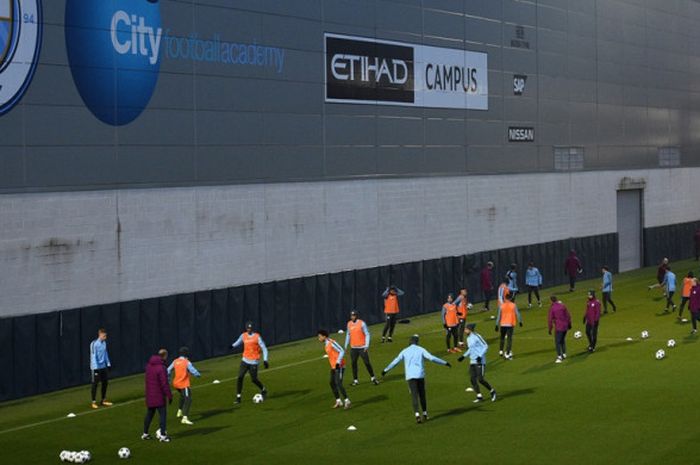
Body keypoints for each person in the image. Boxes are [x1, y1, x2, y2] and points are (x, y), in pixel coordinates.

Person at [381, 334, 451, 423]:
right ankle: (425, 414)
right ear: (417, 342)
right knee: (422, 395)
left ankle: (417, 414)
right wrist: (444, 363)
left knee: (414, 395)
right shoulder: (421, 349)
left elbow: (396, 361)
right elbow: (432, 358)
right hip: (420, 375)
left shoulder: (404, 351)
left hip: (410, 376)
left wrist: (386, 370)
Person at [458, 323, 497, 403]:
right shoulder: (468, 338)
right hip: (472, 361)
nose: (464, 331)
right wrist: (463, 356)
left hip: (480, 361)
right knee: (472, 379)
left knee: (480, 379)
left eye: (466, 329)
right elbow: (471, 349)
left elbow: (485, 346)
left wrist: (480, 356)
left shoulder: (477, 336)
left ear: (470, 329)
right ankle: (479, 396)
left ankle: (492, 391)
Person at [231, 322, 268, 404]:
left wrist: (265, 360)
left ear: (252, 328)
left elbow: (264, 348)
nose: (249, 329)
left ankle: (263, 389)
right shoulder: (243, 335)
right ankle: (238, 397)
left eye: (250, 328)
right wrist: (232, 346)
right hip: (244, 360)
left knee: (254, 379)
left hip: (254, 362)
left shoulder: (257, 336)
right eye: (248, 328)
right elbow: (238, 342)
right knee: (240, 377)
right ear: (246, 328)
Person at [142, 349, 172, 442]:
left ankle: (145, 433)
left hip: (150, 395)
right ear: (165, 356)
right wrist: (169, 395)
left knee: (149, 415)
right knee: (162, 415)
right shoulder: (161, 368)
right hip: (159, 396)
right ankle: (163, 436)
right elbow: (164, 383)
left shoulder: (148, 366)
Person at [167, 347, 201, 426]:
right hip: (183, 384)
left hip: (175, 384)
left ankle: (179, 411)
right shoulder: (186, 362)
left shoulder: (175, 361)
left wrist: (167, 378)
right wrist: (198, 374)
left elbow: (168, 370)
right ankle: (184, 418)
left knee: (183, 396)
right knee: (188, 399)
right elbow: (193, 371)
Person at [318, 329, 351, 409]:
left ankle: (347, 401)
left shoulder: (331, 342)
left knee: (338, 383)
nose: (318, 338)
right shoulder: (326, 344)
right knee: (332, 383)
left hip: (339, 366)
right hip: (333, 366)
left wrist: (338, 362)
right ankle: (338, 401)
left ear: (324, 336)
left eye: (319, 336)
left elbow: (342, 351)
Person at [344, 310, 379, 386]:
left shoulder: (362, 323)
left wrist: (366, 345)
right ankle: (355, 380)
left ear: (356, 316)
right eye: (351, 316)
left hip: (362, 347)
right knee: (353, 363)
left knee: (367, 363)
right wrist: (346, 345)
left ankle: (373, 377)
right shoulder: (349, 324)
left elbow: (367, 334)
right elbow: (348, 334)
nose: (352, 317)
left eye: (354, 315)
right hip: (353, 348)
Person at [89, 328, 113, 409]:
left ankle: (103, 400)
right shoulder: (94, 344)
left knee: (105, 383)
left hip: (103, 367)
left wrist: (108, 363)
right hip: (95, 368)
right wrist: (96, 368)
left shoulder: (104, 343)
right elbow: (93, 356)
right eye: (104, 336)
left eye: (106, 336)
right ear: (100, 335)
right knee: (95, 384)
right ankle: (93, 402)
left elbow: (105, 353)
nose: (105, 337)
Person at [495, 293, 522, 360]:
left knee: (502, 337)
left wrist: (496, 325)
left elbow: (498, 316)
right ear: (510, 298)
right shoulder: (513, 305)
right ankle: (507, 353)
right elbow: (517, 314)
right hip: (510, 324)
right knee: (509, 339)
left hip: (502, 324)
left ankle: (501, 351)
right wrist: (520, 321)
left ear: (505, 298)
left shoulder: (501, 306)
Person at [548, 295, 572, 363]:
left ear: (551, 301)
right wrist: (569, 324)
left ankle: (559, 357)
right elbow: (568, 315)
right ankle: (564, 354)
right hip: (565, 327)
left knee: (557, 342)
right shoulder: (562, 305)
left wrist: (550, 329)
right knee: (562, 340)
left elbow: (550, 320)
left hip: (559, 327)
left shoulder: (552, 308)